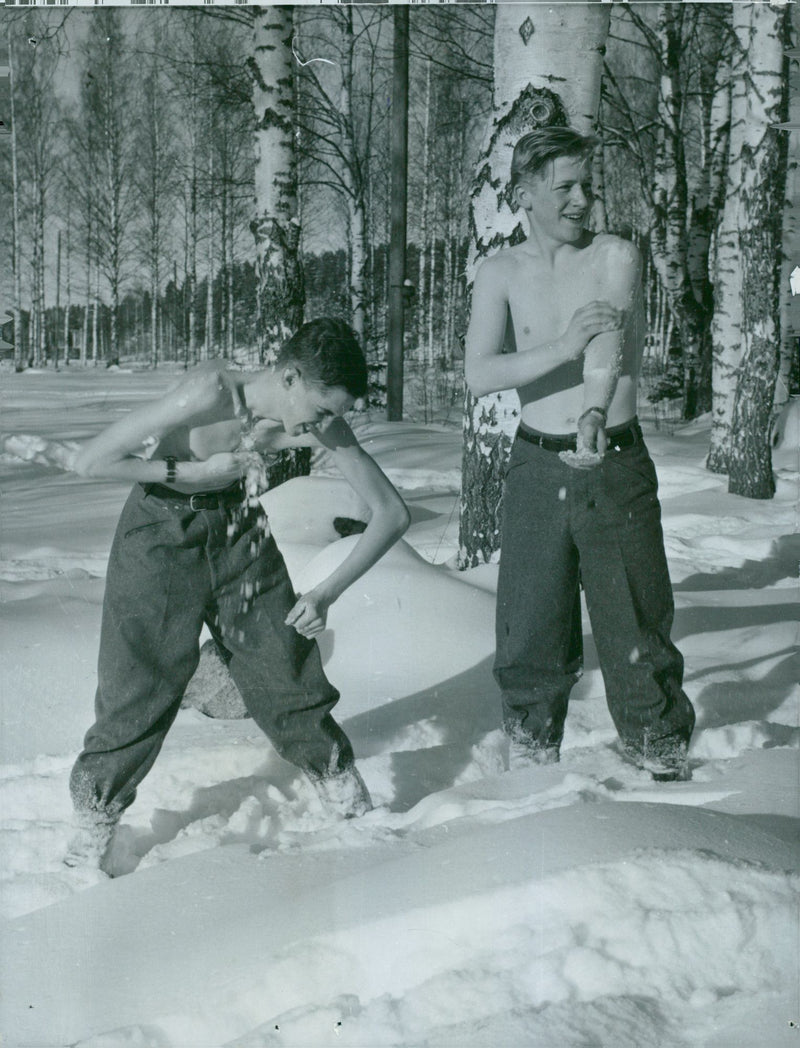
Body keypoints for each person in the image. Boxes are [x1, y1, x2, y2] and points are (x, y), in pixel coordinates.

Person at [66, 318, 410, 869]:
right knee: (137, 684)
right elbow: (90, 460)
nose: (325, 425)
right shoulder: (210, 390)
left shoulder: (317, 423)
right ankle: (93, 825)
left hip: (240, 532)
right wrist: (193, 470)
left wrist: (327, 592)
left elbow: (392, 513)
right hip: (159, 530)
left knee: (286, 665)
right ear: (291, 377)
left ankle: (343, 795)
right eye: (323, 410)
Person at [464, 127, 695, 781]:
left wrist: (594, 408)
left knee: (636, 630)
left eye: (587, 186)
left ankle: (663, 761)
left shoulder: (615, 255)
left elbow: (607, 349)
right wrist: (559, 347)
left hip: (613, 461)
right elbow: (479, 373)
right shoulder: (500, 271)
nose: (581, 200)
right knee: (531, 630)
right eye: (564, 186)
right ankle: (533, 770)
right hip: (536, 466)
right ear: (523, 193)